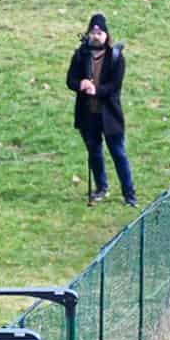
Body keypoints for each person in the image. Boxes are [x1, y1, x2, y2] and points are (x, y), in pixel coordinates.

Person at [68, 13, 135, 209]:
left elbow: (114, 86)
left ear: (106, 35)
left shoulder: (115, 58)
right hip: (88, 114)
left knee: (118, 153)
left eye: (100, 32)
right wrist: (81, 84)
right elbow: (70, 80)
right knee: (94, 153)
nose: (96, 36)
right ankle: (101, 188)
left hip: (110, 116)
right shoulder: (80, 55)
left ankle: (129, 194)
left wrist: (96, 89)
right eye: (93, 32)